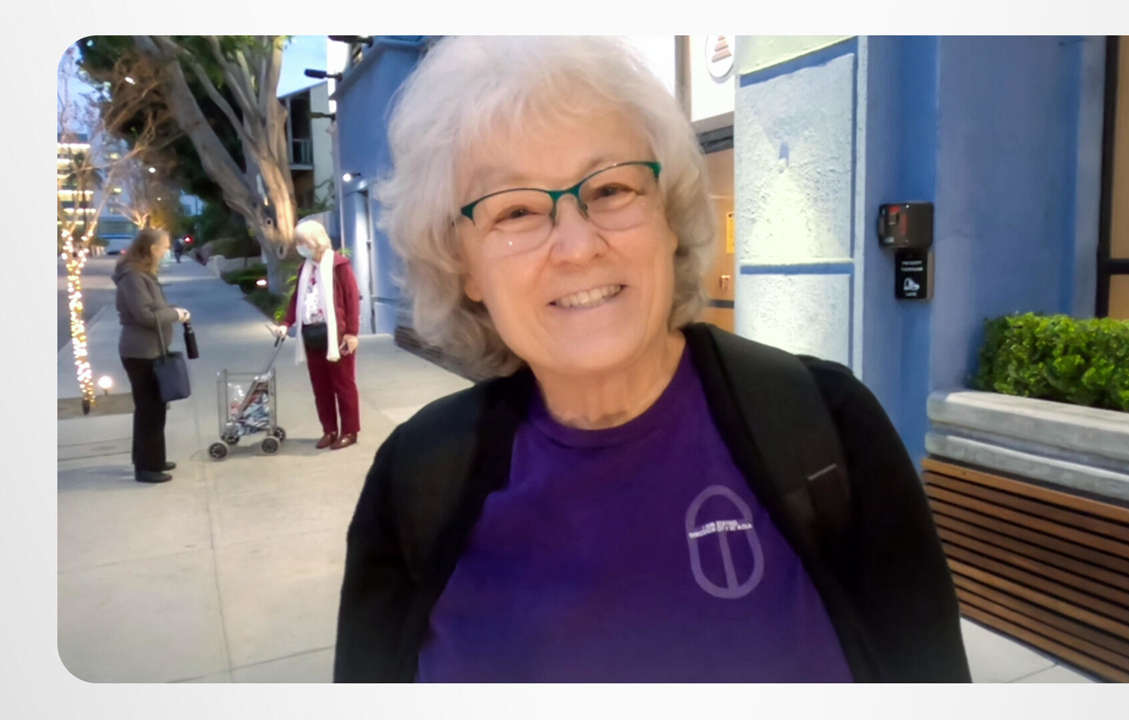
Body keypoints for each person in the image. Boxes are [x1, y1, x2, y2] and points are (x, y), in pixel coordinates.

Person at [334, 36, 969, 683]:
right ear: (463, 264)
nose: (577, 246)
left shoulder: (829, 427)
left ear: (669, 217)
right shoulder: (415, 483)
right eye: (516, 210)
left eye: (611, 189)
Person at [273, 221, 361, 450]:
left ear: (315, 241)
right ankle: (329, 430)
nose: (300, 246)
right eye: (298, 242)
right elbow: (297, 300)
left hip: (336, 336)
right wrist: (286, 323)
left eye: (303, 241)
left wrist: (351, 333)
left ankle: (349, 431)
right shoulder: (305, 268)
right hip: (312, 335)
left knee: (343, 385)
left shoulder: (339, 266)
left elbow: (352, 300)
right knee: (321, 387)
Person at [113, 228, 191, 484]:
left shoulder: (143, 275)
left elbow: (154, 308)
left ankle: (153, 459)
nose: (167, 251)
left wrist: (171, 312)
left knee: (156, 408)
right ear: (151, 249)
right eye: (164, 247)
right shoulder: (133, 277)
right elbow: (145, 315)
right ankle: (146, 467)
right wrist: (175, 314)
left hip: (151, 349)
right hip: (140, 352)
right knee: (149, 409)